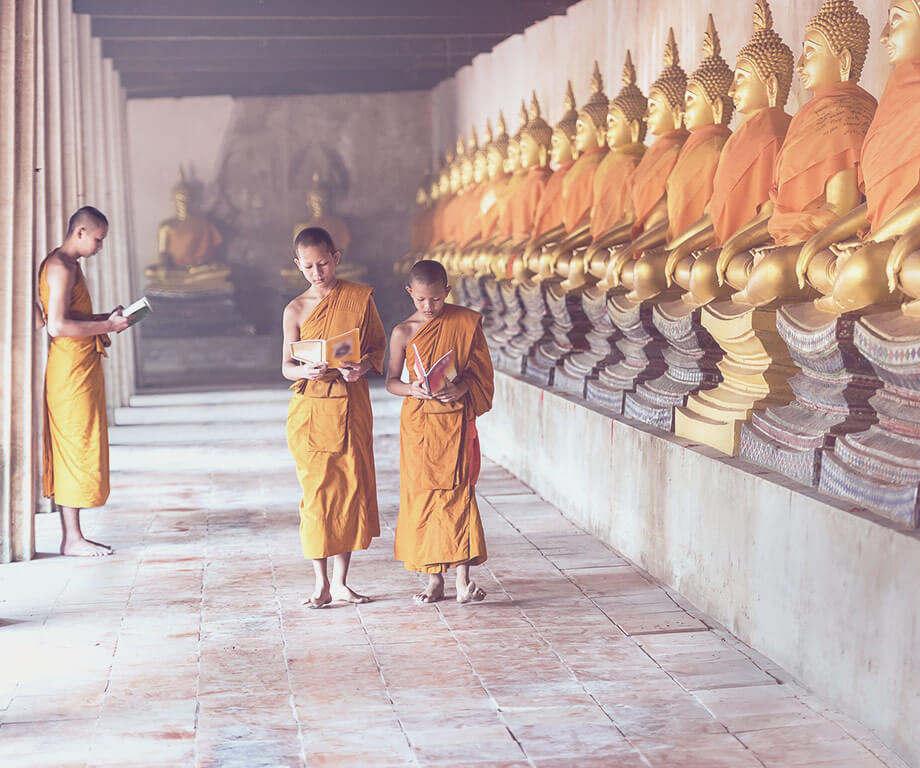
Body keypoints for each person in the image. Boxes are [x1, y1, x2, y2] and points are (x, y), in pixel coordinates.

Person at [281, 226, 386, 608]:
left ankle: (341, 582)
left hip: (351, 403)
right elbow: (287, 367)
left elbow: (376, 348)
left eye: (323, 263)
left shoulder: (359, 298)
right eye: (308, 266)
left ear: (336, 257)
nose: (317, 273)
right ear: (298, 265)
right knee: (317, 496)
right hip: (312, 412)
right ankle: (319, 584)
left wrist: (362, 367)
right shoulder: (294, 309)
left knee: (348, 491)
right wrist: (305, 371)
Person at [386, 260, 495, 604]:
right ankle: (434, 580)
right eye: (421, 300)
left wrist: (461, 388)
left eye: (435, 299)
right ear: (410, 294)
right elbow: (390, 382)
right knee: (423, 498)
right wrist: (412, 389)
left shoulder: (465, 322)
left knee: (458, 495)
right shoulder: (403, 332)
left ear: (447, 291)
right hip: (419, 424)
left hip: (454, 421)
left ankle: (463, 581)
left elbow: (481, 375)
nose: (428, 307)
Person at [39, 206, 130, 557]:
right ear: (80, 232)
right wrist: (107, 327)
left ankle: (74, 535)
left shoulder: (71, 265)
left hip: (80, 364)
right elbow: (58, 326)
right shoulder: (60, 266)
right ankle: (72, 537)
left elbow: (72, 316)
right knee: (74, 445)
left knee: (82, 442)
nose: (99, 246)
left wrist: (106, 317)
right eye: (98, 239)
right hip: (68, 368)